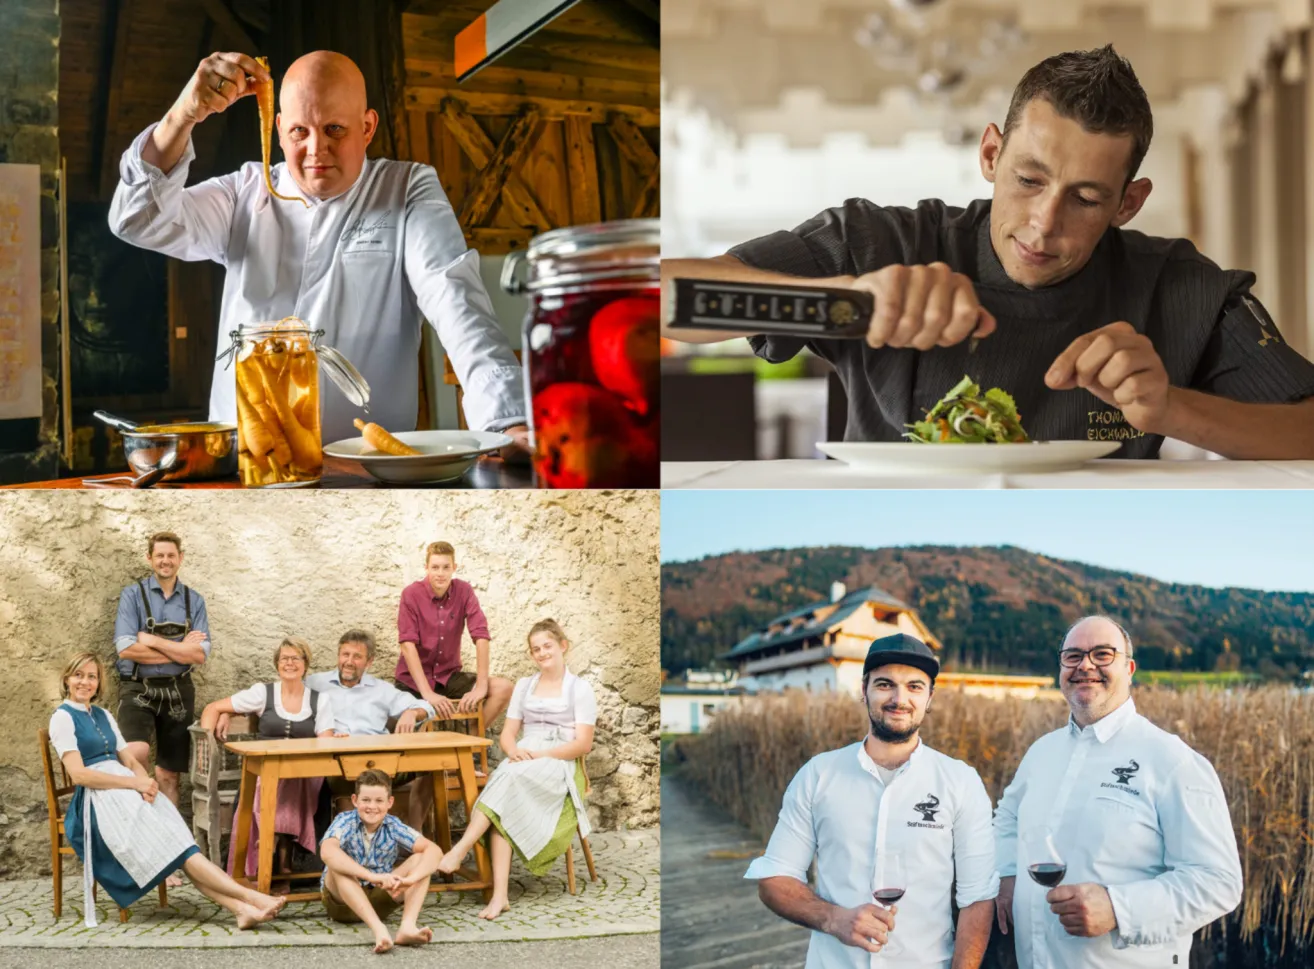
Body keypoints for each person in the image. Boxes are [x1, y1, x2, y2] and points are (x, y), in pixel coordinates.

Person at [661, 45, 1314, 460]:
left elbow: (1305, 433)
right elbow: (664, 302)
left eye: (1086, 198)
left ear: (1128, 204)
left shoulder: (1182, 287)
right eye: (1028, 180)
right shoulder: (878, 241)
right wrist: (841, 303)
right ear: (990, 155)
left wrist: (1171, 407)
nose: (1043, 223)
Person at [107, 49, 529, 451]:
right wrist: (183, 116)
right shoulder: (243, 193)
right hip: (248, 468)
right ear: (277, 130)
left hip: (367, 471)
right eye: (299, 132)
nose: (315, 150)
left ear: (367, 128)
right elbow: (137, 219)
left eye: (334, 130)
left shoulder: (406, 189)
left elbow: (453, 296)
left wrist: (508, 422)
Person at [993, 616, 1243, 969]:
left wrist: (1118, 908)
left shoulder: (1171, 760)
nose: (1085, 665)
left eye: (1102, 654)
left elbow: (1217, 881)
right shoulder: (1041, 752)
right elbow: (1008, 816)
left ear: (1129, 668)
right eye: (1073, 655)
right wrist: (1005, 874)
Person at [743, 634, 998, 969]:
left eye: (914, 686)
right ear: (863, 690)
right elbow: (774, 879)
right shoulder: (818, 774)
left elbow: (977, 897)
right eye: (884, 684)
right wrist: (833, 919)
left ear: (930, 697)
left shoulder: (960, 781)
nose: (899, 698)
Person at [49, 651, 286, 929]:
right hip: (95, 802)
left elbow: (127, 758)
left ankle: (240, 909)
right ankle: (250, 897)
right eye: (79, 675)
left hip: (125, 790)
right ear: (66, 679)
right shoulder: (62, 718)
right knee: (180, 849)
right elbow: (79, 775)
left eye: (92, 676)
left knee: (181, 847)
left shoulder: (102, 714)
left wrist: (146, 783)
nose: (85, 682)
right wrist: (133, 783)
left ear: (99, 683)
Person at [437, 619, 597, 921]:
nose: (542, 653)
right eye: (536, 649)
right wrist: (514, 752)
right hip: (525, 756)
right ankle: (499, 897)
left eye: (547, 646)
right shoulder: (525, 685)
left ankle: (461, 849)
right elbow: (508, 734)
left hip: (560, 760)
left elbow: (583, 745)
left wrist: (541, 754)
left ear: (563, 646)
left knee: (506, 780)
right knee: (507, 787)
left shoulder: (580, 689)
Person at [112, 530, 210, 886]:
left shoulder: (194, 601)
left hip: (178, 690)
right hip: (137, 687)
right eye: (159, 556)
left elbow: (198, 655)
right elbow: (125, 648)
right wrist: (178, 647)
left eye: (171, 555)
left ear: (180, 558)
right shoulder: (132, 596)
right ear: (150, 559)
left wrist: (151, 639)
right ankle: (144, 852)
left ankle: (170, 859)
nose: (165, 561)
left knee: (169, 775)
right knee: (134, 762)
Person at [199, 637, 334, 884]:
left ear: (306, 664)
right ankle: (281, 859)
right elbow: (212, 708)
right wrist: (207, 748)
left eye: (296, 658)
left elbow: (325, 744)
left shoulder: (319, 700)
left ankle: (275, 855)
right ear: (277, 663)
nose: (290, 663)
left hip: (305, 775)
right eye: (284, 658)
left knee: (290, 780)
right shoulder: (263, 693)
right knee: (272, 780)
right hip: (263, 774)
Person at [319, 768, 441, 953]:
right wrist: (370, 876)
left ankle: (407, 927)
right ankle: (379, 929)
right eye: (366, 800)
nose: (372, 806)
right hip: (342, 902)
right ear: (355, 800)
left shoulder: (393, 825)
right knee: (337, 866)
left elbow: (434, 851)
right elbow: (327, 851)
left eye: (379, 801)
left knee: (420, 859)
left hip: (379, 898)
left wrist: (410, 879)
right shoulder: (344, 820)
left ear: (389, 802)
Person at [395, 541, 513, 725]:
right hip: (414, 682)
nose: (440, 573)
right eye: (435, 567)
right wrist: (428, 694)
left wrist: (481, 687)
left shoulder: (464, 591)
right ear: (426, 567)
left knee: (503, 688)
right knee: (407, 724)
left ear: (454, 568)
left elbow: (481, 635)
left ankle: (472, 744)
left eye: (446, 567)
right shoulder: (411, 594)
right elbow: (407, 645)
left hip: (448, 677)